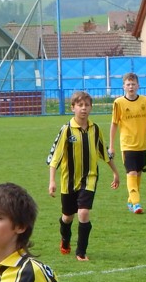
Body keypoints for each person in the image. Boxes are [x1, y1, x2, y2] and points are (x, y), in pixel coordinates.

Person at [47, 90, 119, 262]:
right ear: (73, 108)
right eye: (80, 105)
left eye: (87, 105)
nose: (84, 108)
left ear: (91, 107)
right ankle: (65, 239)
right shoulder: (66, 130)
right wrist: (52, 181)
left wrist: (115, 172)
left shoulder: (95, 129)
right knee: (67, 217)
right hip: (69, 181)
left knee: (84, 213)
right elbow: (55, 157)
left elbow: (104, 153)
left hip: (89, 178)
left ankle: (81, 252)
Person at [109, 72, 146, 214]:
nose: (131, 87)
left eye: (133, 84)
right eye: (128, 84)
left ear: (138, 86)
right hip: (127, 145)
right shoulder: (118, 103)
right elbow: (114, 124)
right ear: (123, 86)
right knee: (132, 173)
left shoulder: (145, 101)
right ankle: (136, 204)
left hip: (142, 144)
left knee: (138, 174)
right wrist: (111, 146)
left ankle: (131, 201)